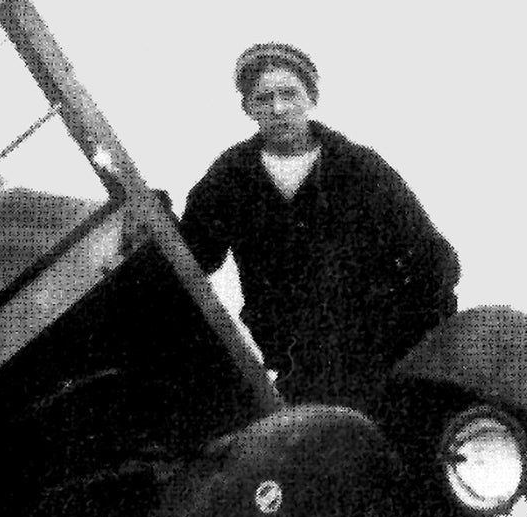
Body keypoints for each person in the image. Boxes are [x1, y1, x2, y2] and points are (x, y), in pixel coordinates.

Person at [178, 43, 460, 408]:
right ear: (247, 108)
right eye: (263, 99)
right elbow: (192, 257)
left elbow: (433, 259)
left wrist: (411, 336)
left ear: (311, 98)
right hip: (295, 364)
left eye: (289, 94)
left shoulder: (359, 167)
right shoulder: (230, 177)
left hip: (376, 353)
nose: (278, 109)